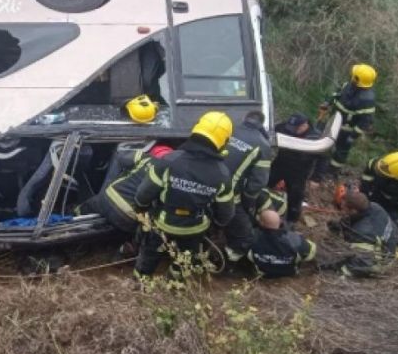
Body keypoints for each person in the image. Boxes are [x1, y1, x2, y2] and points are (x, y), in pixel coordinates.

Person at [133, 112, 235, 278]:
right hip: (194, 229)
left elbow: (144, 194)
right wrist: (216, 226)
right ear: (224, 142)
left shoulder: (169, 160)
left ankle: (140, 283)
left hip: (162, 223)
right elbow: (226, 213)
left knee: (149, 255)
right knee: (184, 261)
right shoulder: (222, 174)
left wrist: (141, 210)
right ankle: (174, 287)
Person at [80, 144, 174, 234]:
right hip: (128, 218)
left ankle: (72, 212)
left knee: (83, 209)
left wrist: (107, 186)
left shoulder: (144, 157)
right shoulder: (169, 177)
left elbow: (119, 157)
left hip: (107, 199)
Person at [221, 111, 273, 261]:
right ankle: (230, 260)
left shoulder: (229, 129)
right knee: (244, 234)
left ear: (244, 118)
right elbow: (258, 182)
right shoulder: (262, 145)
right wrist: (249, 201)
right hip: (228, 193)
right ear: (261, 124)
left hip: (207, 181)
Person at [312, 64, 377, 180]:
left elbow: (365, 121)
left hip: (346, 130)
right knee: (321, 139)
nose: (352, 76)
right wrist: (328, 102)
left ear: (358, 79)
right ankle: (315, 161)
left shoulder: (367, 100)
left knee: (341, 151)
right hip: (333, 120)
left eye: (354, 75)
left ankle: (332, 171)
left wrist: (353, 136)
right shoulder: (348, 85)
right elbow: (337, 94)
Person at [324, 189, 396, 278]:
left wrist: (342, 271)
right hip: (387, 248)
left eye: (344, 207)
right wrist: (339, 225)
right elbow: (354, 218)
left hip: (380, 262)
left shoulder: (363, 232)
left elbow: (363, 263)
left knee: (333, 266)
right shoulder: (374, 207)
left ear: (353, 210)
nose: (341, 209)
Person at [268, 113, 320, 223]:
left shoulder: (315, 138)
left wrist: (316, 178)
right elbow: (272, 133)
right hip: (281, 163)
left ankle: (291, 220)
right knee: (264, 182)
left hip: (299, 171)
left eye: (295, 129)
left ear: (304, 125)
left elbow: (323, 159)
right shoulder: (284, 128)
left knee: (295, 197)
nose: (291, 131)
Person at [247, 209, 316, 278]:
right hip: (290, 273)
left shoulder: (252, 238)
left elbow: (245, 253)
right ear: (280, 222)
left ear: (261, 223)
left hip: (263, 273)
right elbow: (311, 254)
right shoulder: (294, 239)